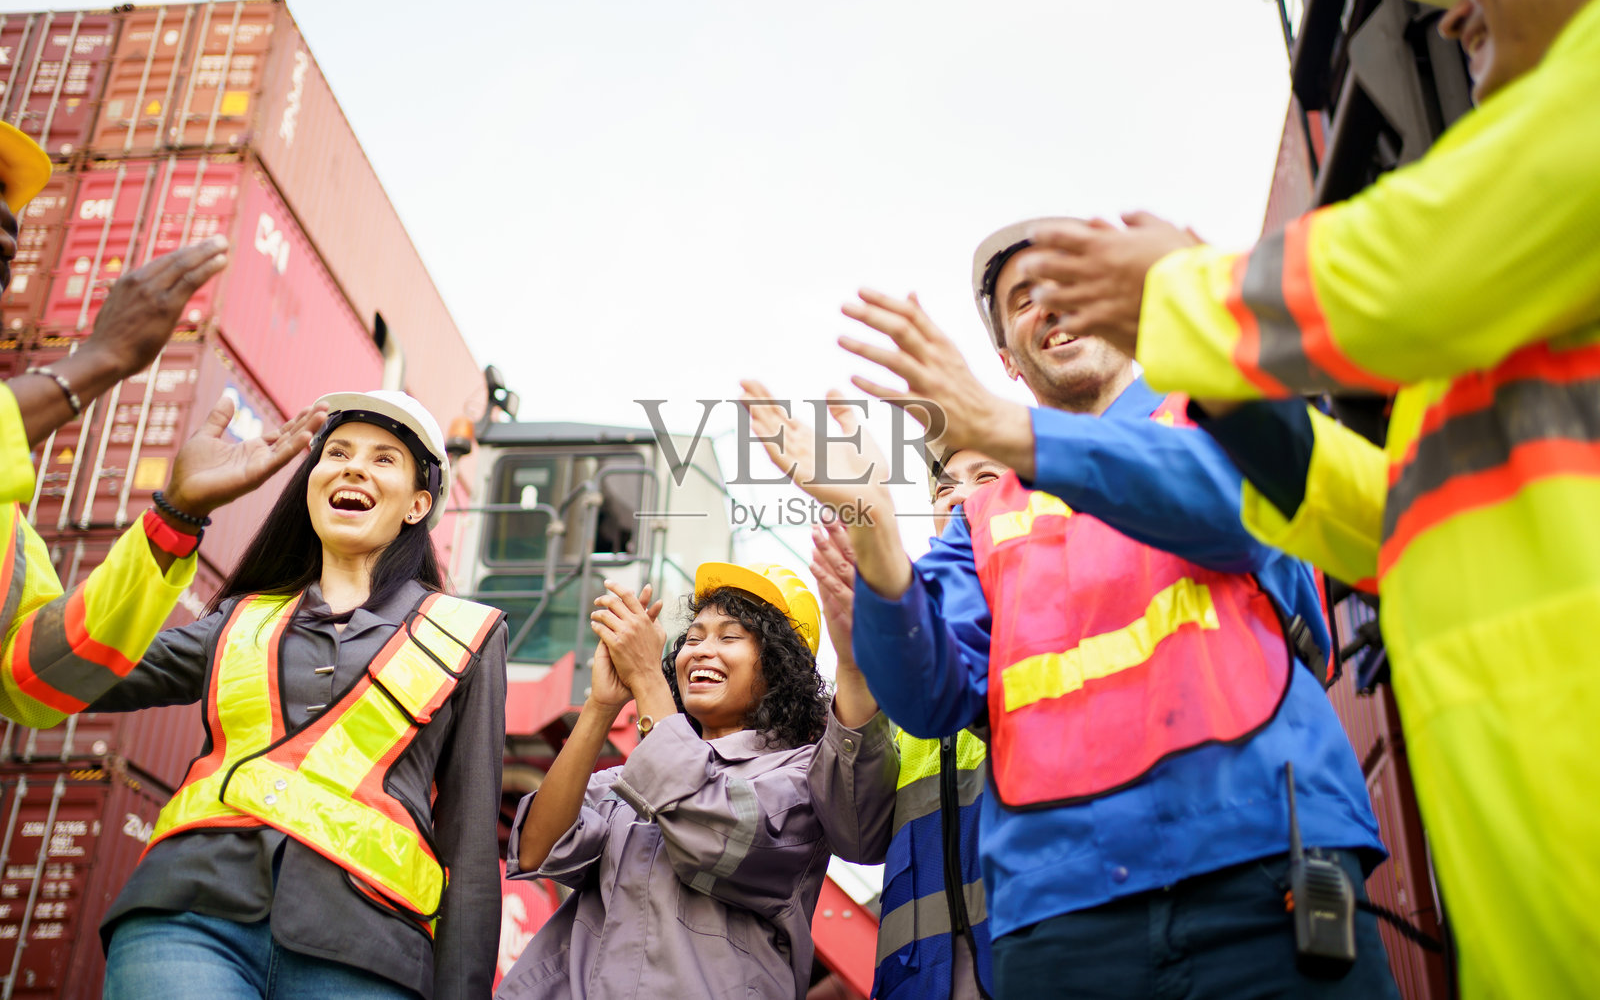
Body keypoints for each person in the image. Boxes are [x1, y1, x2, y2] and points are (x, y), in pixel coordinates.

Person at [1005, 0, 1600, 993]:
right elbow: (1391, 519)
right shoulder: (1522, 295)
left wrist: (1187, 295)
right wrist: (1233, 395)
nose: (1456, 16)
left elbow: (1418, 265)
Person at [742, 222, 1398, 998]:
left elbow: (1234, 514)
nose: (1048, 307)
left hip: (1262, 862)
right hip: (1062, 916)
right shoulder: (981, 521)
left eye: (1067, 285)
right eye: (1022, 301)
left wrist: (1009, 432)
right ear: (1006, 359)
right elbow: (926, 701)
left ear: (1123, 306)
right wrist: (876, 528)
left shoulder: (1223, 409)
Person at [64, 390, 507, 1000]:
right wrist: (177, 513)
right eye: (338, 453)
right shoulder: (239, 620)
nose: (353, 467)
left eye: (384, 460)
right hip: (189, 911)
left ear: (418, 505)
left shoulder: (469, 634)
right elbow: (73, 672)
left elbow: (473, 847)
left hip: (367, 949)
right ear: (311, 482)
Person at [494, 561, 896, 999]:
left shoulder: (800, 778)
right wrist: (602, 707)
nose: (701, 650)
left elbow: (706, 831)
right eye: (693, 637)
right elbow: (537, 850)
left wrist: (646, 676)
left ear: (780, 667)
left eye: (729, 637)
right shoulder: (634, 773)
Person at [0, 122, 260, 708]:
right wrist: (100, 360)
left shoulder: (5, 525)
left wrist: (178, 517)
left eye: (11, 233)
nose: (10, 244)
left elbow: (36, 679)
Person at [810, 446, 1003, 1000]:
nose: (959, 495)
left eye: (986, 477)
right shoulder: (899, 647)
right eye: (944, 488)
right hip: (918, 980)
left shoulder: (1067, 605)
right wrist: (852, 663)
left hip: (1043, 958)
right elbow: (858, 835)